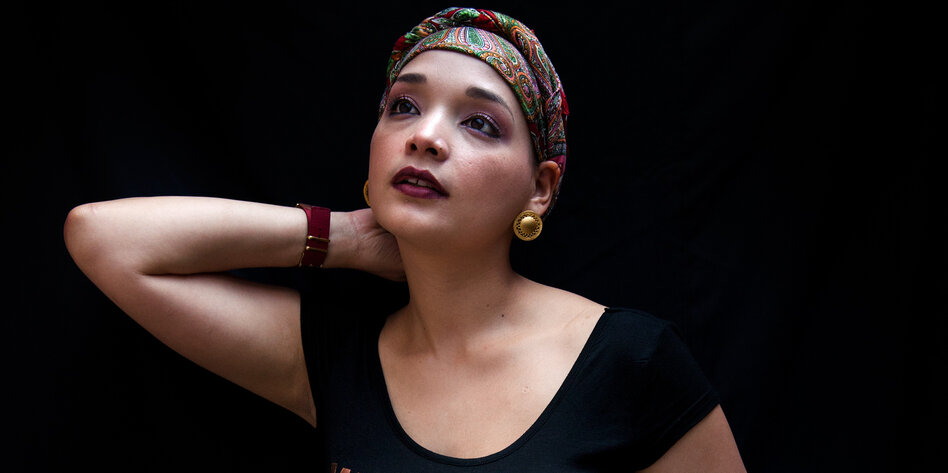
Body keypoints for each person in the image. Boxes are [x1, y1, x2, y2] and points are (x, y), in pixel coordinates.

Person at [64, 7, 745, 472]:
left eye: (479, 123)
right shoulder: (335, 360)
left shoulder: (631, 361)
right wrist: (344, 238)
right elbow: (104, 239)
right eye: (404, 107)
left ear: (539, 189)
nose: (425, 135)